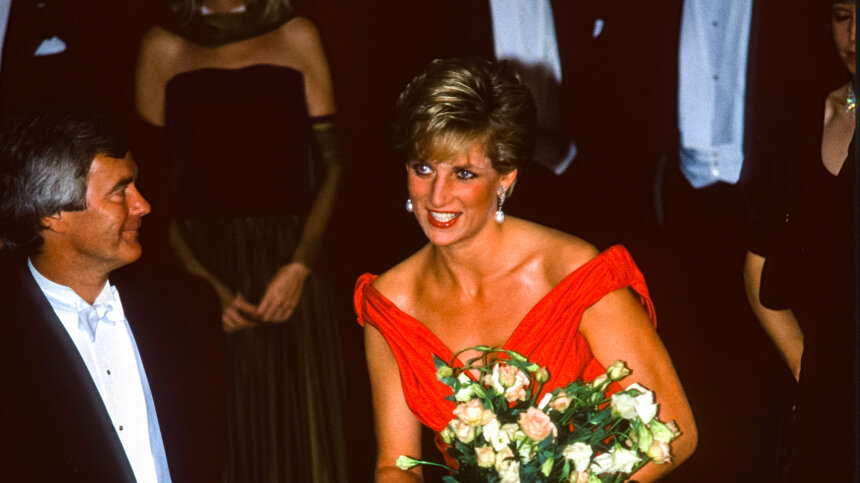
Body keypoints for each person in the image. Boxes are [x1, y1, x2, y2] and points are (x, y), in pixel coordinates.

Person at [354, 58, 697, 482]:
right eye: (423, 168)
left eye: (463, 173)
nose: (437, 196)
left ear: (505, 178)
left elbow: (675, 428)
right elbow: (395, 464)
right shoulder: (391, 304)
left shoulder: (572, 274)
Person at [135, 0, 346, 480]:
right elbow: (148, 181)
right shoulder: (161, 46)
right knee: (221, 430)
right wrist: (199, 281)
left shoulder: (297, 34)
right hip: (199, 263)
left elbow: (333, 163)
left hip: (291, 263)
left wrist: (301, 263)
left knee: (301, 428)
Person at [0, 107, 227, 481]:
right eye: (120, 192)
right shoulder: (9, 336)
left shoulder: (187, 309)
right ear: (52, 215)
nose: (143, 205)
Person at [743, 1, 856, 480]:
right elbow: (758, 263)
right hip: (820, 395)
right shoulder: (798, 120)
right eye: (844, 16)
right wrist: (809, 373)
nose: (854, 36)